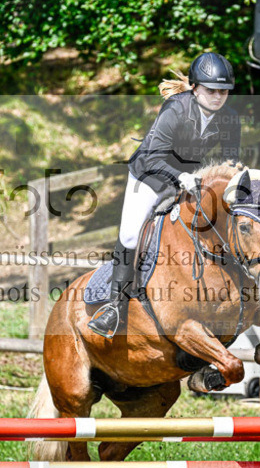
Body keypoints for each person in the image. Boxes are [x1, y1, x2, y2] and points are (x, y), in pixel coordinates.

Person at [88, 52, 241, 338]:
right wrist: (181, 176)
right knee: (132, 235)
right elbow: (153, 157)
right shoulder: (175, 109)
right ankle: (114, 307)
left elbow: (230, 162)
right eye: (211, 90)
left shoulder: (230, 118)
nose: (219, 96)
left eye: (224, 91)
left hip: (192, 179)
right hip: (150, 174)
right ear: (195, 88)